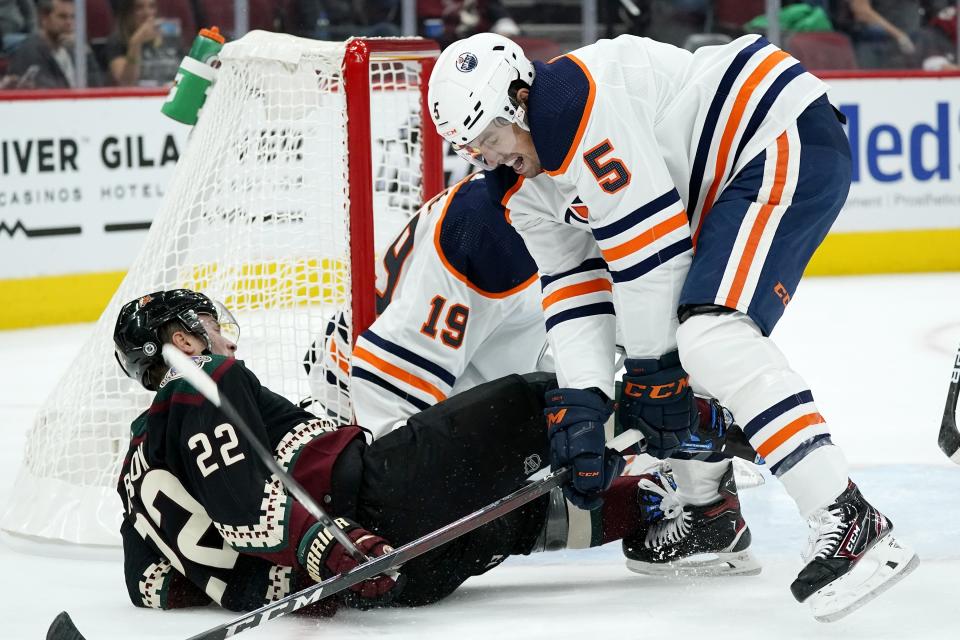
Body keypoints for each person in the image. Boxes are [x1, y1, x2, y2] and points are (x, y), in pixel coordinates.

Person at [427, 32, 918, 620]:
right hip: (727, 180)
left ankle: (849, 517)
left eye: (490, 137)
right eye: (472, 148)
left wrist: (650, 373)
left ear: (519, 97)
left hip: (774, 132)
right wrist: (585, 403)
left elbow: (652, 255)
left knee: (707, 338)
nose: (487, 156)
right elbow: (575, 286)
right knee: (665, 361)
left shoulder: (574, 106)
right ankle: (708, 515)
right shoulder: (522, 187)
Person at [114, 288, 698, 614]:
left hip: (395, 576)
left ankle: (654, 512)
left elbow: (149, 585)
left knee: (515, 517)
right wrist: (332, 547)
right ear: (182, 342)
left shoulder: (136, 469)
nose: (222, 338)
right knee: (527, 401)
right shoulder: (198, 380)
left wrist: (305, 582)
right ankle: (694, 420)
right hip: (367, 505)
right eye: (207, 329)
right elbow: (243, 499)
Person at [305, 171, 762, 576]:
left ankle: (706, 504)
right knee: (456, 529)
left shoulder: (591, 207)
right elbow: (385, 395)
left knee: (672, 353)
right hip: (366, 418)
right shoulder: (488, 231)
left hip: (469, 377)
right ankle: (657, 489)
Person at [6, 0, 103, 89]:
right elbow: (49, 93)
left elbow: (97, 87)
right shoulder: (29, 51)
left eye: (73, 17)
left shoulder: (72, 50)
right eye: (62, 17)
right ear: (44, 18)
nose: (69, 22)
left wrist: (85, 50)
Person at [103, 0, 183, 87]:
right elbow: (127, 82)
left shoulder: (169, 34)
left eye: (152, 6)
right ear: (127, 12)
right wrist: (136, 43)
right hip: (139, 98)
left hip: (172, 94)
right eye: (139, 7)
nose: (147, 13)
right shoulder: (118, 40)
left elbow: (185, 73)